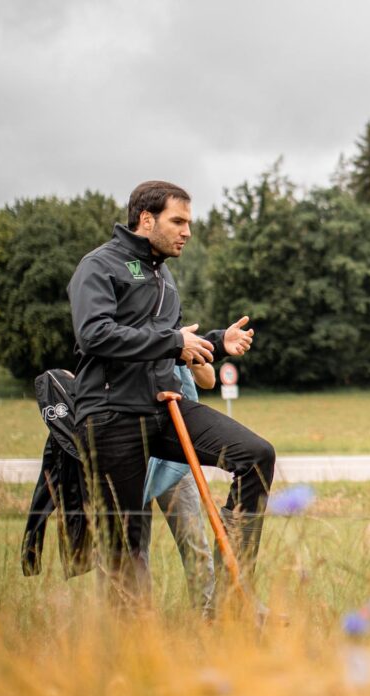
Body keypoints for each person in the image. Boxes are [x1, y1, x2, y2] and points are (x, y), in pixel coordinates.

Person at [68, 180, 275, 606]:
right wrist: (173, 341)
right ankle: (132, 638)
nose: (187, 231)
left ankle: (232, 600)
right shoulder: (99, 266)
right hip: (110, 414)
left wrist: (216, 342)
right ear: (147, 220)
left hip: (164, 410)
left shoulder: (163, 275)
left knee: (256, 456)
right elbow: (95, 334)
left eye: (188, 223)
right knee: (125, 547)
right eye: (178, 221)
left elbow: (172, 344)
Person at [142, 362, 216, 616]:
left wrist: (187, 355)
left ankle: (207, 614)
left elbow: (208, 380)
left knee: (193, 540)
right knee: (133, 546)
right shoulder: (121, 340)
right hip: (131, 449)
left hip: (174, 456)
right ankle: (137, 619)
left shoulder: (177, 341)